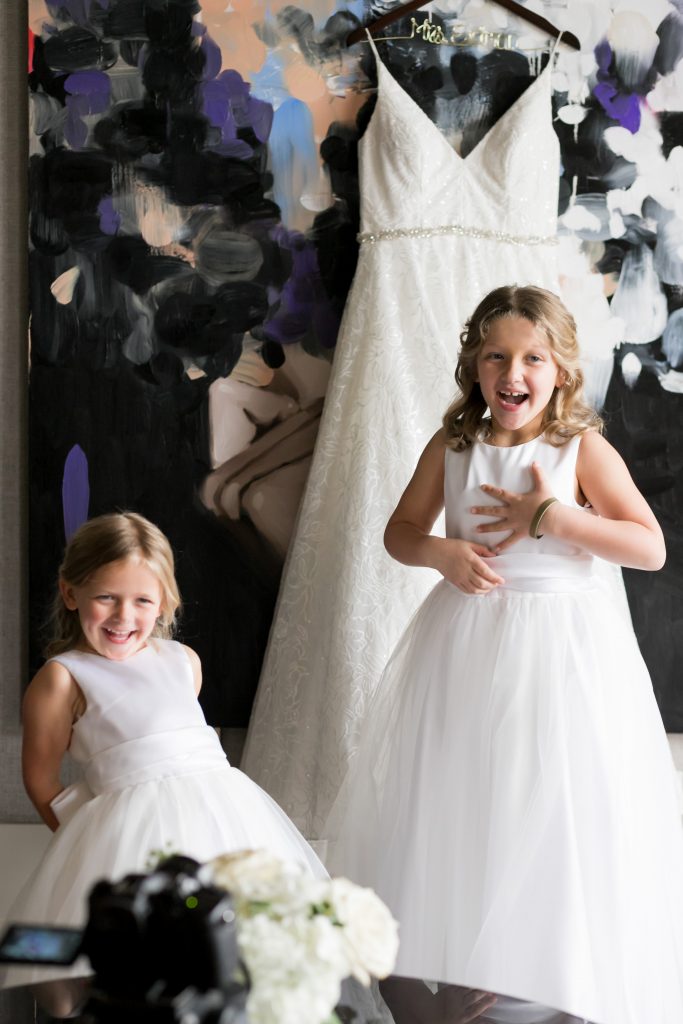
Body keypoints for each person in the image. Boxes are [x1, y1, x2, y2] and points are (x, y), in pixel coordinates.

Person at [326, 285, 683, 1024]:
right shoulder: (453, 446)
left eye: (531, 358)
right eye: (496, 356)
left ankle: (547, 946)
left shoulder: (578, 448)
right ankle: (468, 941)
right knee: (468, 786)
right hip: (466, 640)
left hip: (561, 650)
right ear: (473, 365)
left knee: (549, 789)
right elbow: (399, 530)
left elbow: (646, 546)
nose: (512, 373)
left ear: (559, 371)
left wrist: (551, 515)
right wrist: (440, 552)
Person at [2, 512, 325, 989]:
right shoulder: (63, 677)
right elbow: (41, 780)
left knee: (238, 953)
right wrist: (87, 840)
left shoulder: (183, 662)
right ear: (71, 594)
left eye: (141, 600)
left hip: (224, 819)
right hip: (126, 836)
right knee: (120, 970)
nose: (122, 616)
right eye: (106, 598)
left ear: (164, 604)